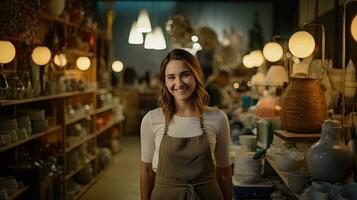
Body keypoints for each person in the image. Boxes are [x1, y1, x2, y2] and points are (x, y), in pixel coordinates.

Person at [140, 49, 232, 200]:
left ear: (196, 75)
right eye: (171, 77)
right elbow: (147, 171)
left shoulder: (218, 118)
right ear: (165, 82)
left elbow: (224, 173)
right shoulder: (151, 119)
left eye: (185, 74)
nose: (178, 83)